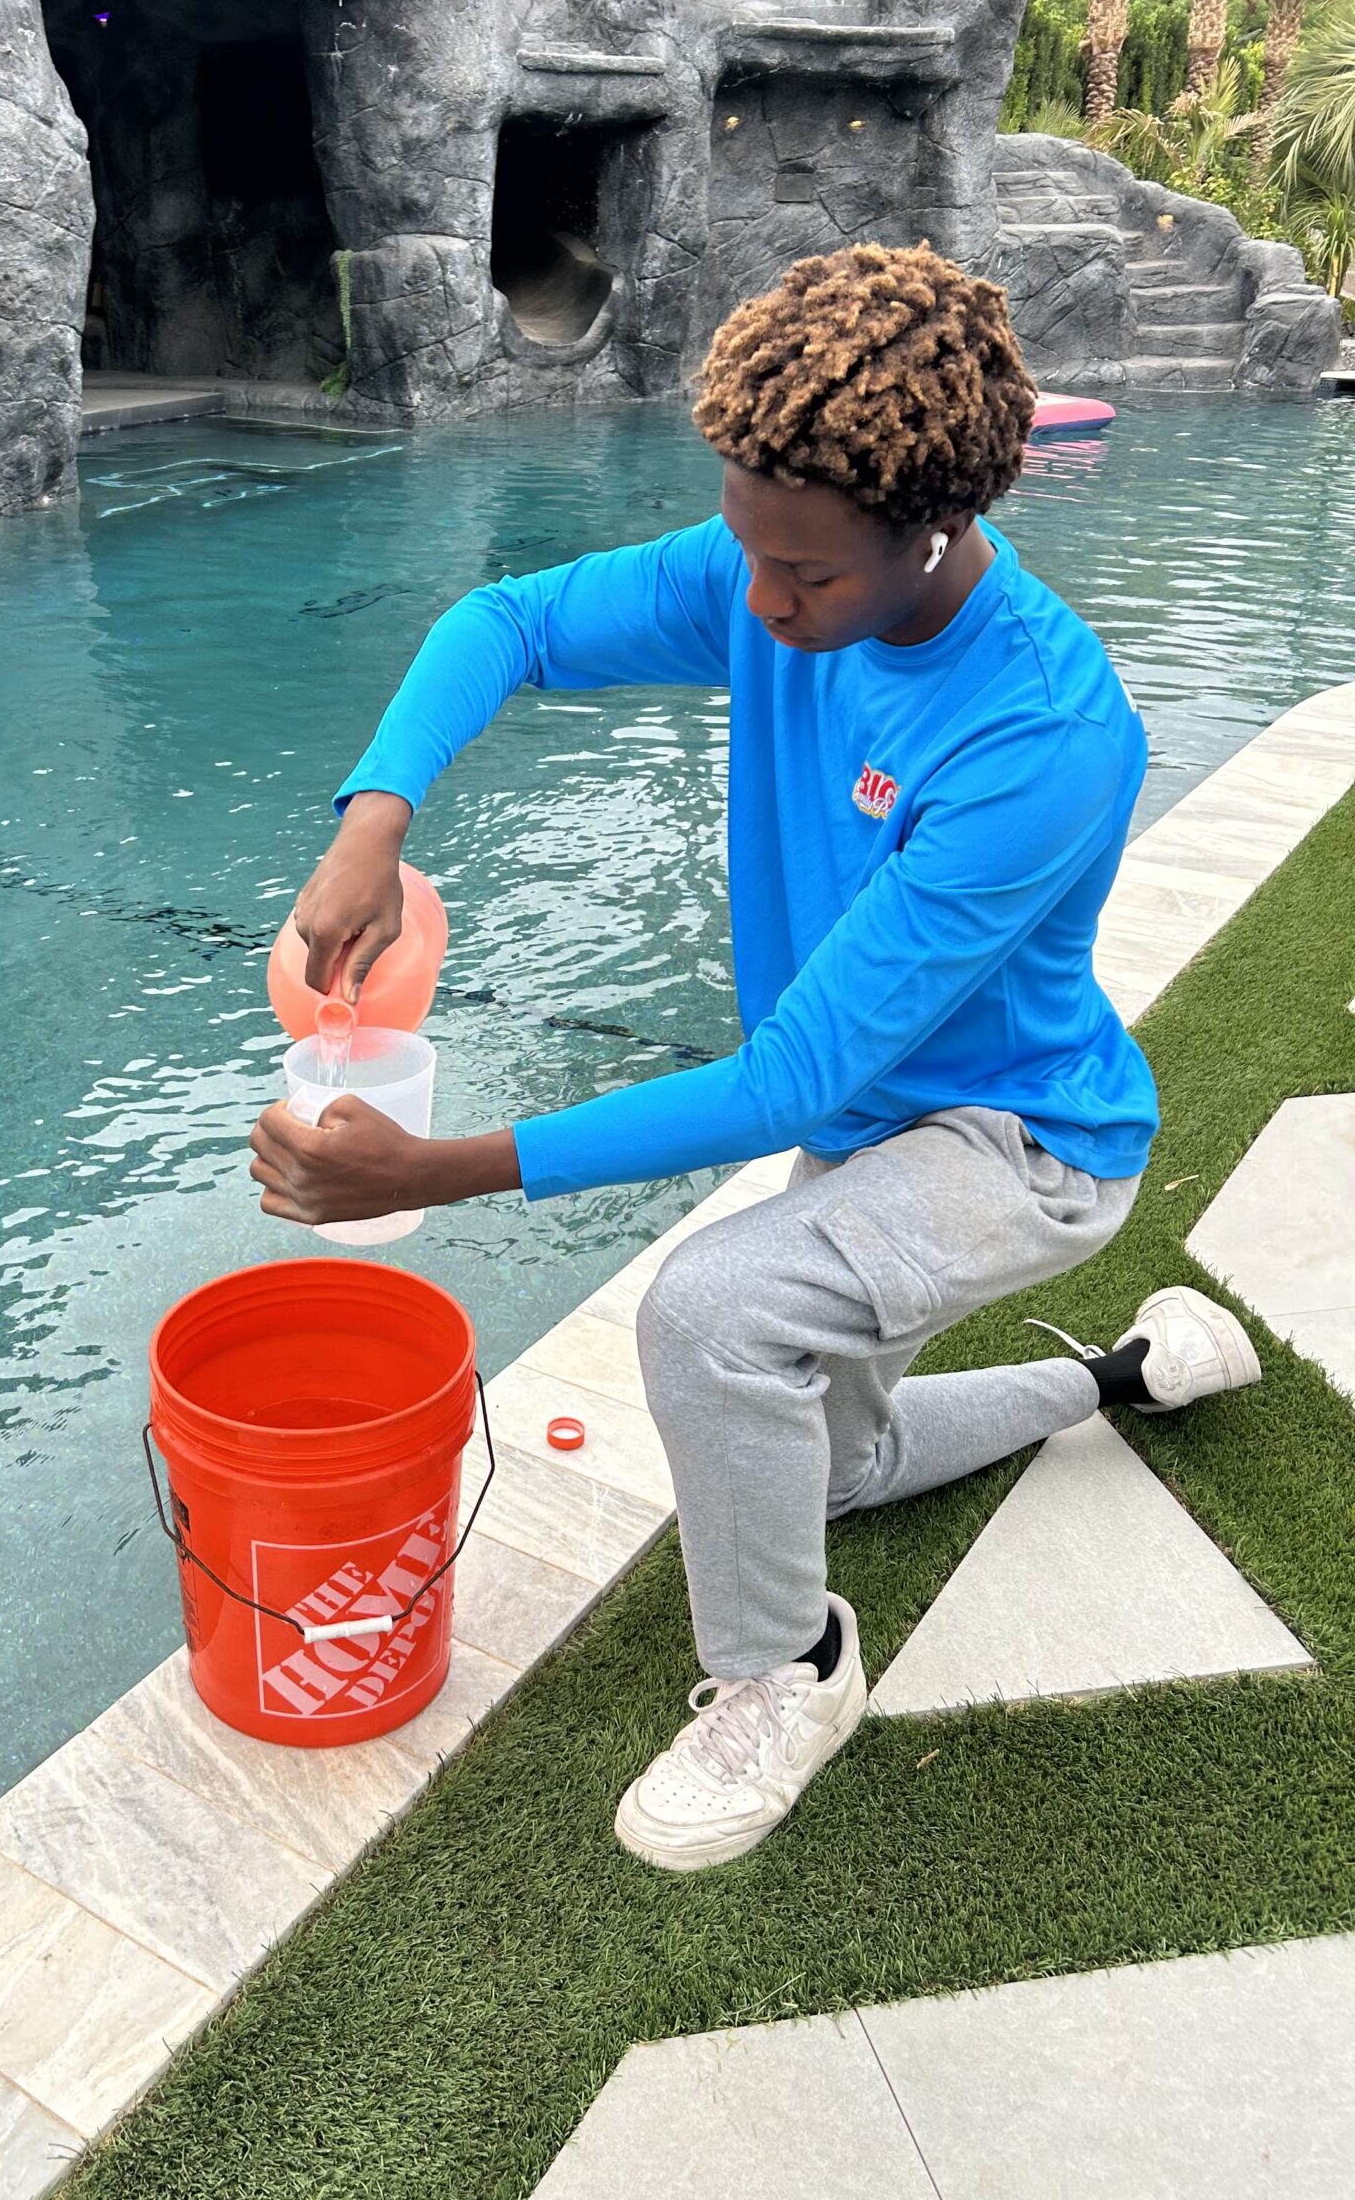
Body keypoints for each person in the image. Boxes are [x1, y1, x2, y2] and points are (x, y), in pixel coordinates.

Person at [248, 241, 1259, 1873]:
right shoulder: (776, 566)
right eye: (749, 554)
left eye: (809, 579)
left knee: (713, 1312)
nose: (767, 609)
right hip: (875, 1127)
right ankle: (1122, 1377)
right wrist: (377, 820)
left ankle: (788, 1673)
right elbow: (504, 619)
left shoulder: (1045, 737)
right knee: (832, 1465)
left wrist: (440, 1170)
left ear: (937, 522)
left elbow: (784, 1084)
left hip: (1024, 1146)